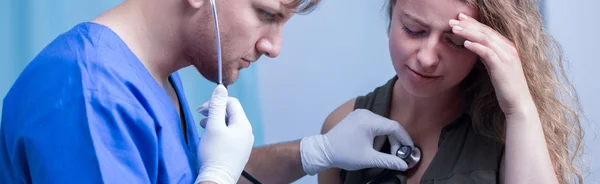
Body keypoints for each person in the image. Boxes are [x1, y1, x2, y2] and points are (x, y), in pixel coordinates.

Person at [0, 0, 416, 183]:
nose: (274, 47)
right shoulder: (86, 94)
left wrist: (313, 152)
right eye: (266, 14)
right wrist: (216, 176)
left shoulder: (154, 76)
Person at [313, 0, 586, 183]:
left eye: (456, 42)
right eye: (413, 30)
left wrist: (520, 110)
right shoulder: (339, 126)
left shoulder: (506, 132)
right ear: (392, 12)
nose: (427, 58)